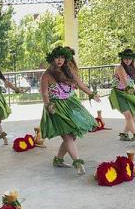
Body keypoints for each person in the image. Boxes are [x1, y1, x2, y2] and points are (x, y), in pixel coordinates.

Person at [40, 46, 100, 174]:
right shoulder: (46, 75)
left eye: (62, 57)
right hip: (56, 107)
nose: (60, 60)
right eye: (57, 57)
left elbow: (80, 84)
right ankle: (77, 162)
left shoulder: (69, 71)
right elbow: (45, 94)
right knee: (67, 137)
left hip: (71, 104)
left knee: (72, 135)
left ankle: (58, 159)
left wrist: (91, 94)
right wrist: (48, 105)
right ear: (52, 59)